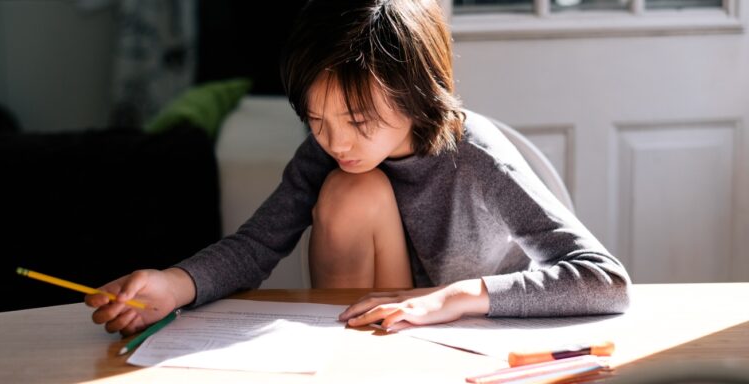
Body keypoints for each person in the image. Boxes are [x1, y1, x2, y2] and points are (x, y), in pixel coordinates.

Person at [86, 0, 631, 336]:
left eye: (358, 120)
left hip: (466, 335)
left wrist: (453, 297)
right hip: (370, 325)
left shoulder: (476, 154)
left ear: (417, 94)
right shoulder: (328, 152)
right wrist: (172, 284)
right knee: (352, 188)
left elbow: (605, 281)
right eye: (316, 120)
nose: (336, 141)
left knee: (353, 186)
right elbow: (258, 244)